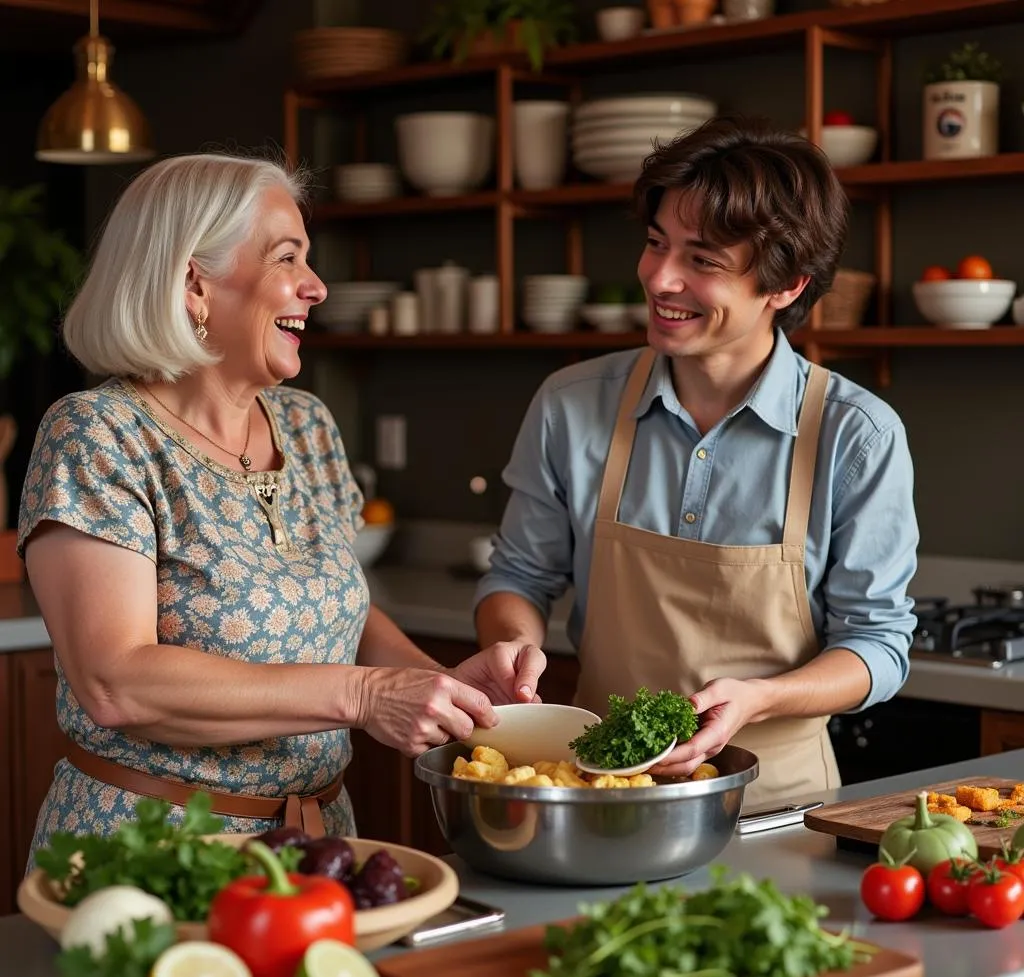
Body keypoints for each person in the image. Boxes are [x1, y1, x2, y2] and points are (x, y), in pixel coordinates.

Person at [18, 153, 544, 863]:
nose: (316, 286)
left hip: (319, 845)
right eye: (286, 258)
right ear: (193, 283)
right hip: (155, 851)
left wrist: (439, 686)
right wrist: (363, 697)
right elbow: (116, 681)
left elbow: (337, 607)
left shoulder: (305, 425)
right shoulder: (97, 434)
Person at [475, 115, 918, 808]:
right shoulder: (572, 404)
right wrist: (512, 645)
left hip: (781, 806)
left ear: (787, 286)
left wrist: (762, 698)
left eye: (702, 261)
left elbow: (878, 647)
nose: (660, 277)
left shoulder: (855, 435)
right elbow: (518, 577)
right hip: (604, 789)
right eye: (656, 243)